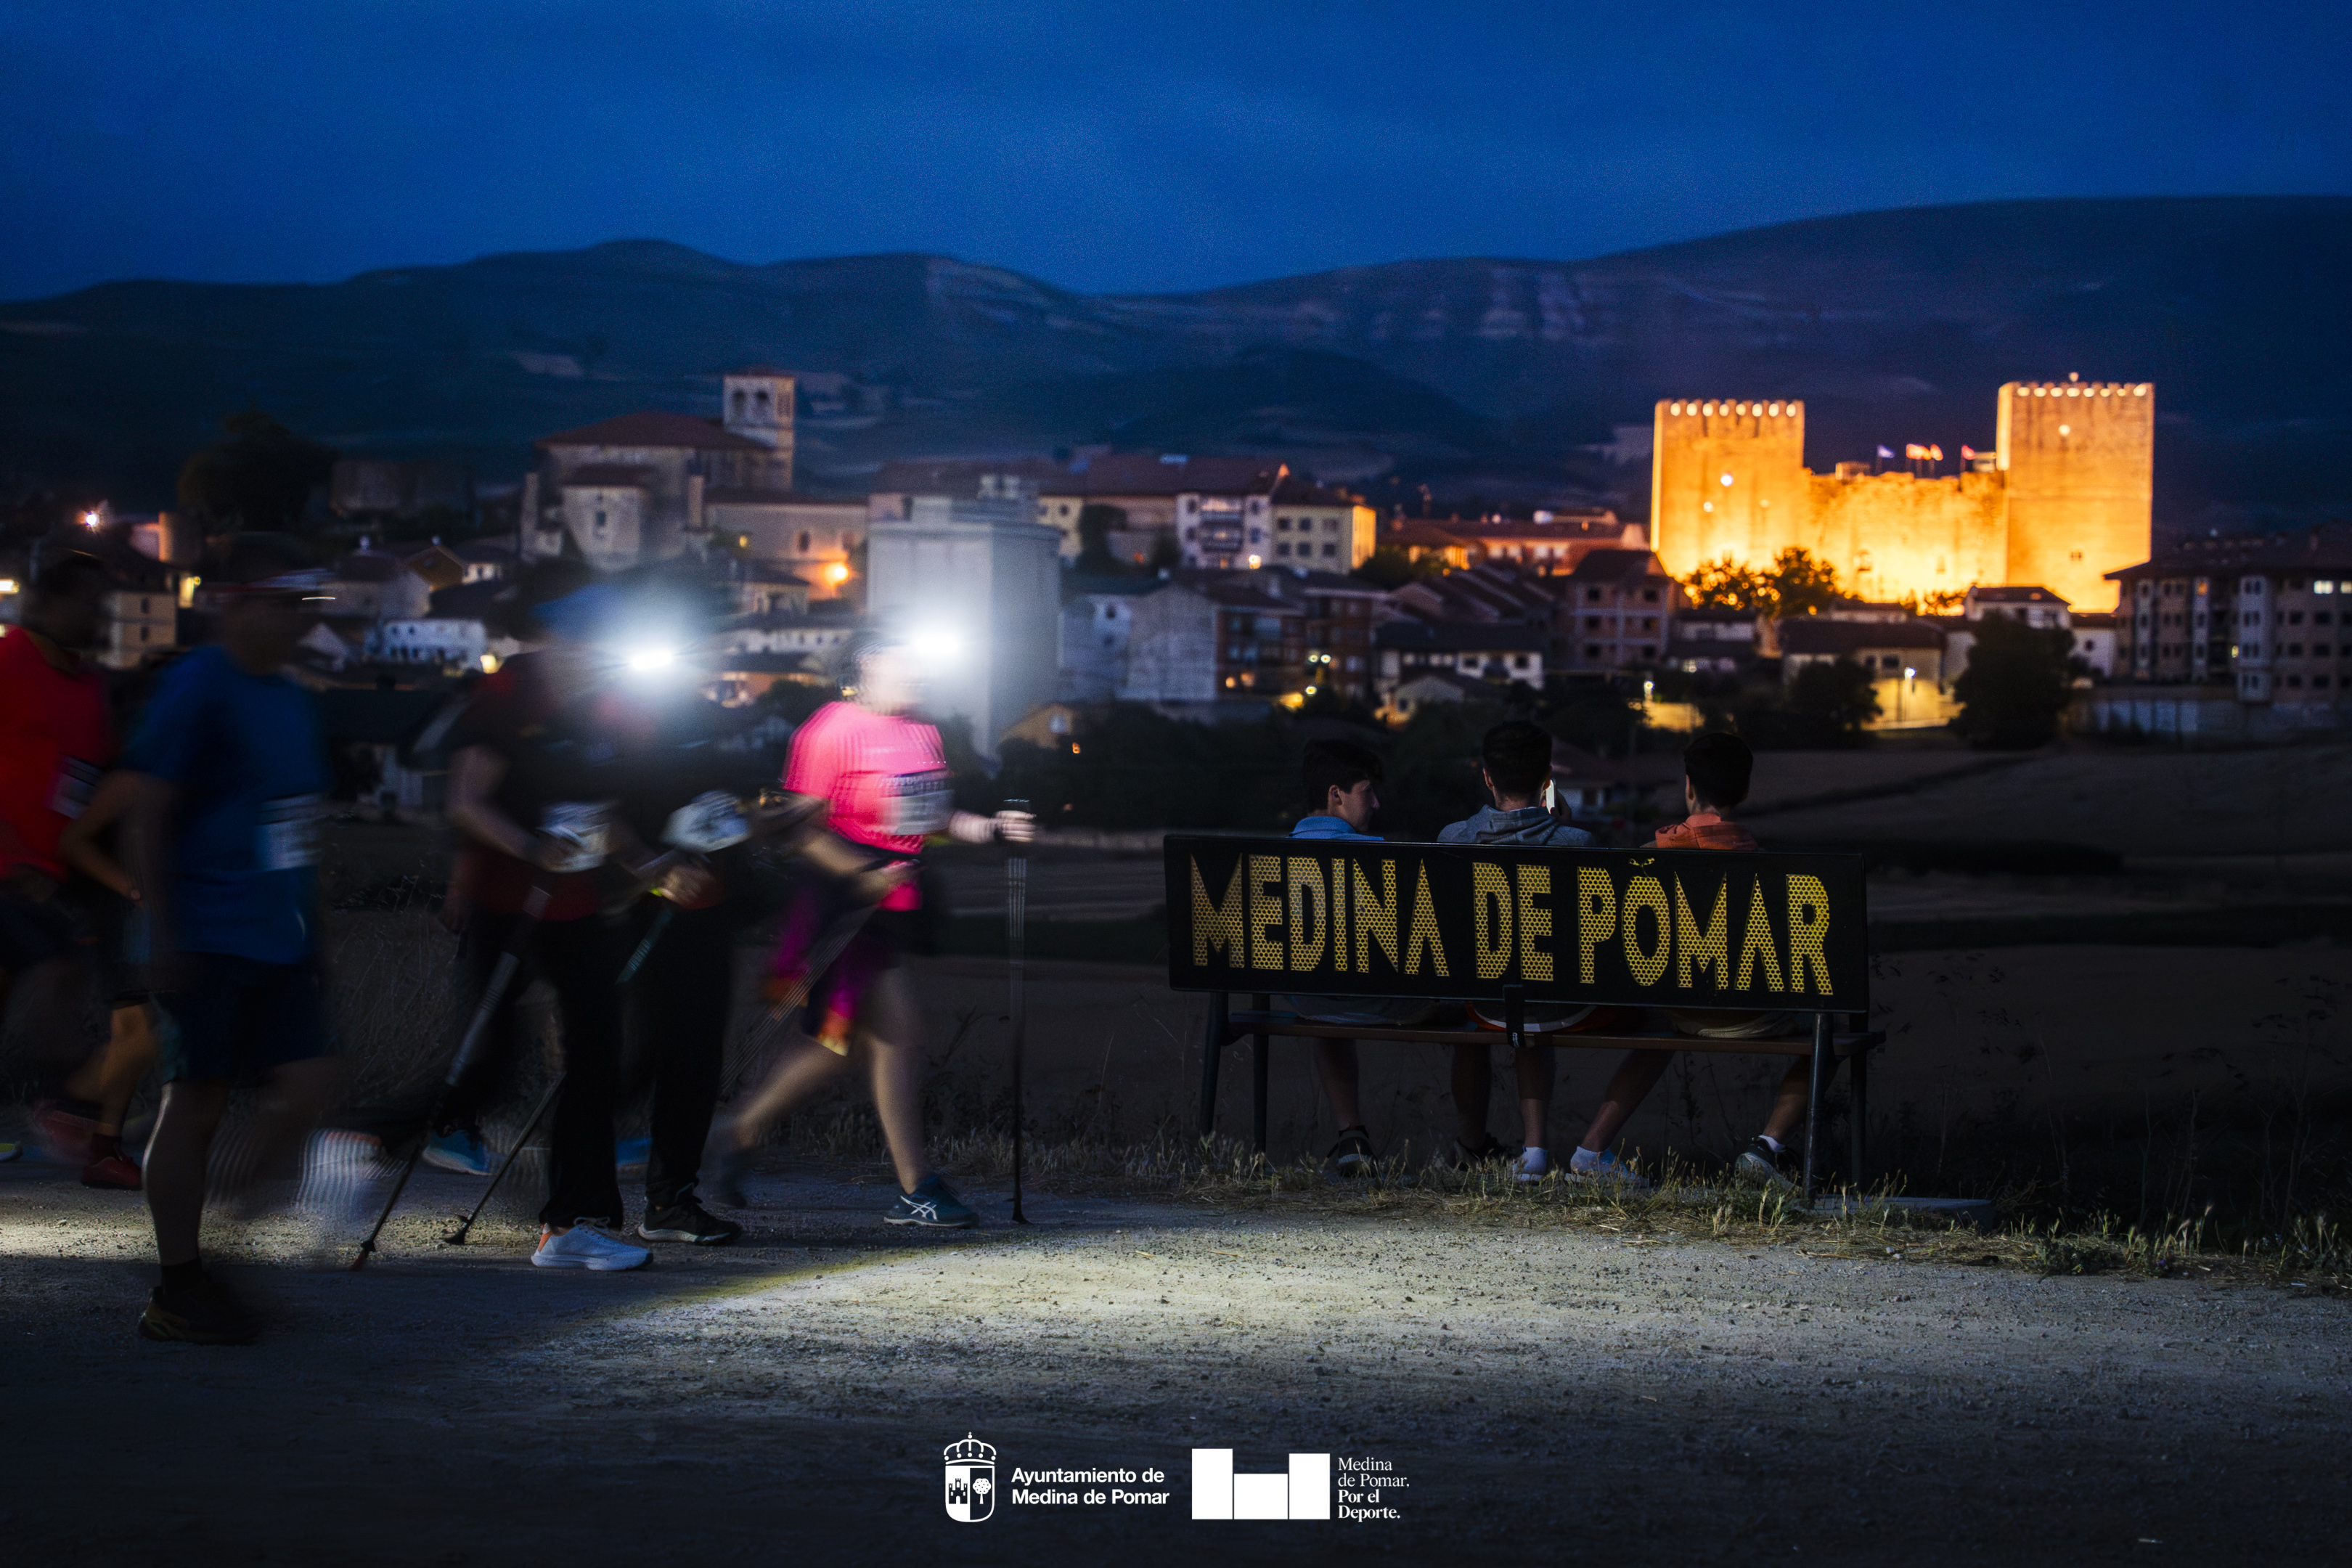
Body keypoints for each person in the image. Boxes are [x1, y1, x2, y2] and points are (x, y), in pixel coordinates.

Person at [705, 629, 1032, 1228]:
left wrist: (992, 829)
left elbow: (934, 818)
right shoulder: (828, 730)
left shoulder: (923, 731)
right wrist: (860, 872)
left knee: (852, 1043)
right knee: (882, 1038)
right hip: (840, 903)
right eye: (907, 664)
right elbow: (800, 827)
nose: (919, 676)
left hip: (892, 904)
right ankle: (915, 1186)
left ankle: (742, 1130)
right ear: (867, 667)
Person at [438, 575, 709, 1273]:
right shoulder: (509, 693)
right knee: (490, 1062)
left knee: (593, 1054)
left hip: (578, 907)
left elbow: (603, 809)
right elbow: (467, 800)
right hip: (511, 902)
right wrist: (530, 851)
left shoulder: (603, 707)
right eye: (594, 645)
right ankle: (380, 1138)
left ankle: (573, 1224)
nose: (602, 659)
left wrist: (651, 866)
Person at [125, 545, 343, 1342]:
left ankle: (221, 1238)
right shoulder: (200, 686)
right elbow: (152, 807)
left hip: (275, 935)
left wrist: (315, 928)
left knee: (311, 1086)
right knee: (197, 1102)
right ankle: (180, 1282)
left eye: (305, 605)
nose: (300, 619)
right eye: (284, 604)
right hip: (207, 930)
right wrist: (164, 928)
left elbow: (301, 827)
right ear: (238, 607)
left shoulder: (292, 700)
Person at [1569, 732, 1815, 1187]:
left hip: (1679, 1010)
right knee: (1832, 1033)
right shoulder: (1768, 867)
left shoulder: (1649, 859)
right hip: (1752, 1017)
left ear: (1688, 787)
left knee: (1656, 1035)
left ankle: (1591, 1150)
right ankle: (1768, 1146)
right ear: (1743, 791)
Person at [0, 552, 149, 1189]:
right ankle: (64, 1106)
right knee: (54, 971)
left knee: (86, 987)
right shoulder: (9, 661)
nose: (103, 617)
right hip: (10, 864)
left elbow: (98, 773)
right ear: (48, 604)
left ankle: (72, 1111)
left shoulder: (90, 682)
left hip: (65, 868)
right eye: (92, 604)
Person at [1432, 719, 1617, 1183]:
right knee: (1536, 989)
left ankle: (1482, 1146)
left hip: (1485, 1002)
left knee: (1504, 995)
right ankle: (1535, 1150)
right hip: (1564, 1003)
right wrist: (1564, 830)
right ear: (1547, 781)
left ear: (1488, 777)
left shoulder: (1452, 840)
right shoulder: (1578, 845)